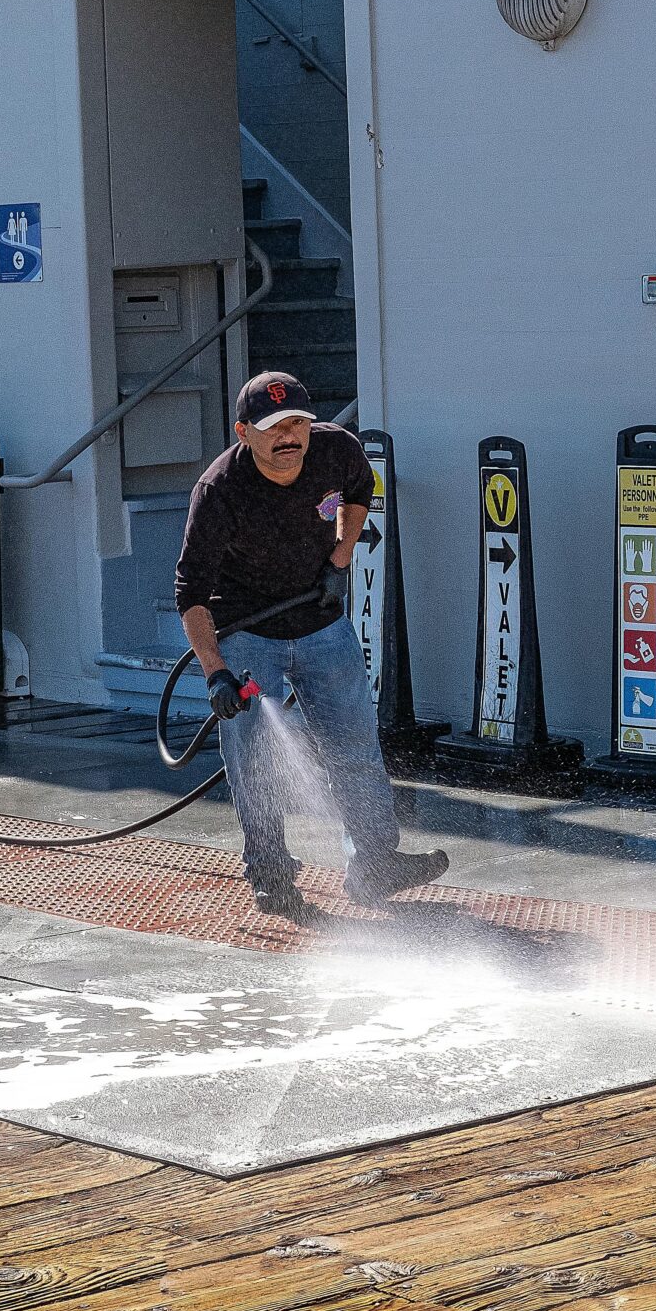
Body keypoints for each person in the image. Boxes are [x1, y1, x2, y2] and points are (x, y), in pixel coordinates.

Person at [174, 371, 450, 921]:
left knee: (354, 745)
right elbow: (190, 593)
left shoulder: (336, 451)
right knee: (256, 761)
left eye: (297, 422)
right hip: (249, 632)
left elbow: (360, 490)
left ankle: (375, 865)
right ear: (243, 431)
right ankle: (272, 877)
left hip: (323, 625)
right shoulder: (219, 490)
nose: (288, 436)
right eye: (273, 426)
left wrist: (340, 559)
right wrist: (216, 673)